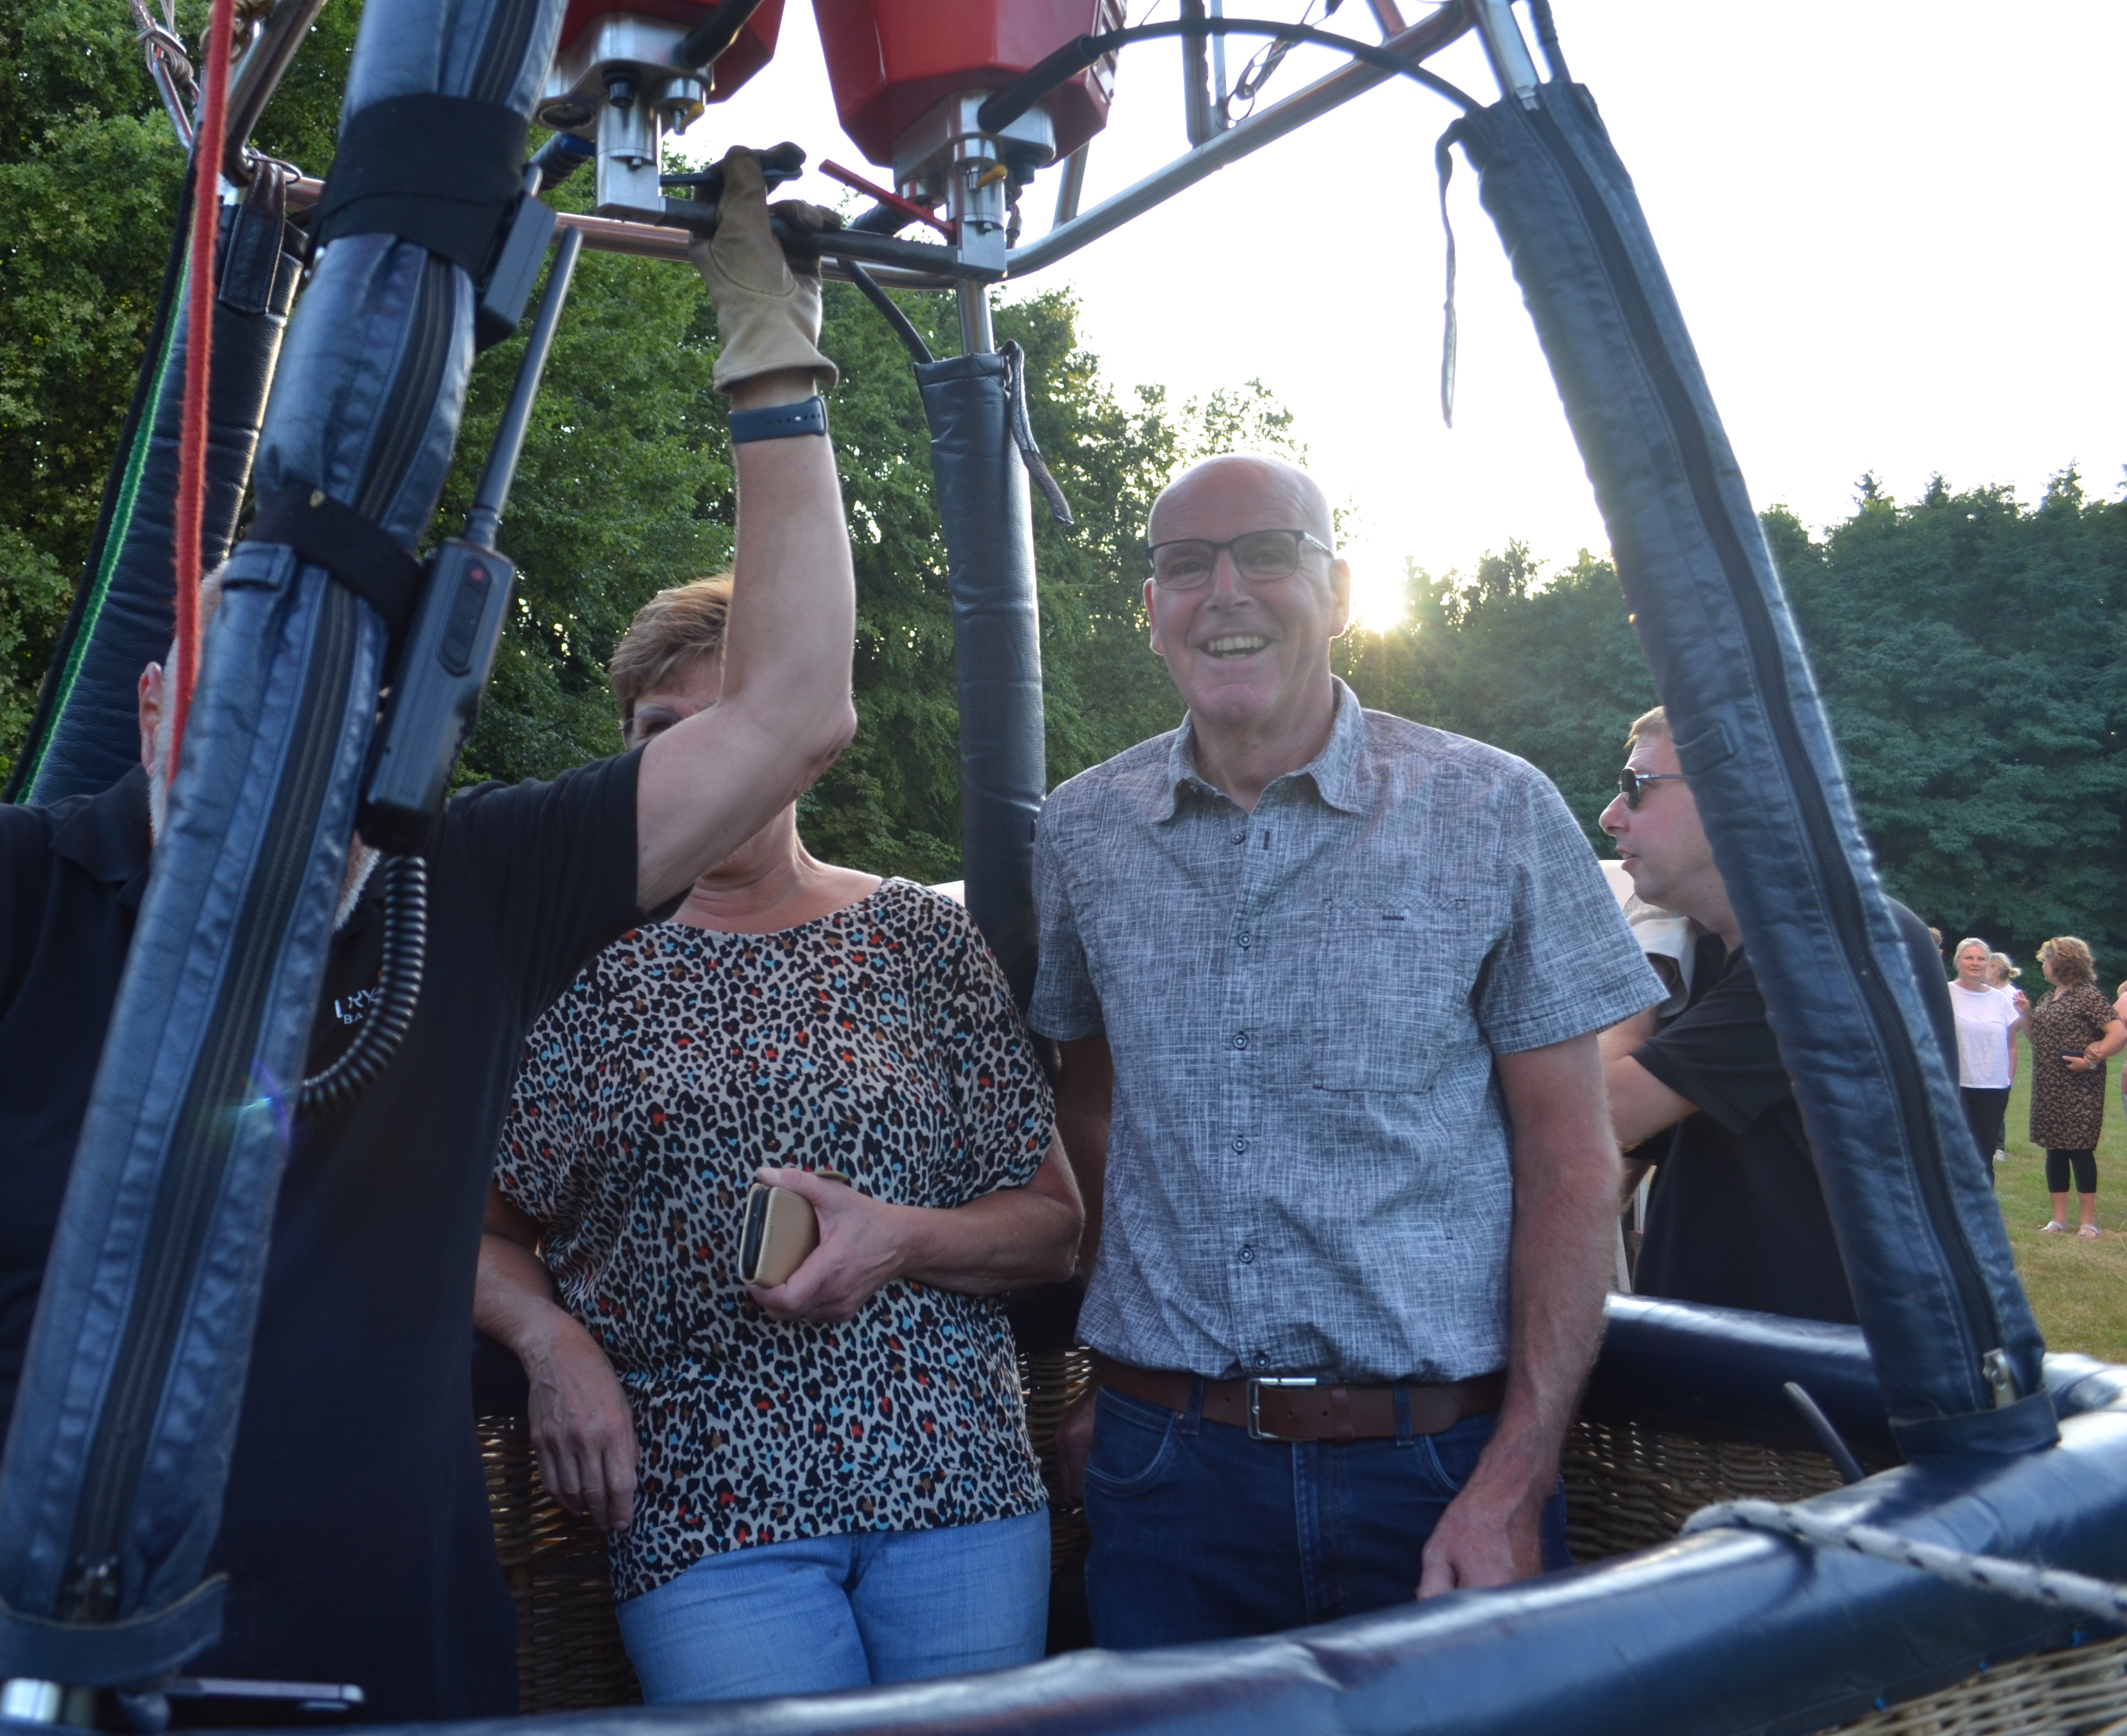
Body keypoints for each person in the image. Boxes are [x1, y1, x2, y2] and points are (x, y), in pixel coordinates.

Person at [0, 150, 858, 1718]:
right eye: (234, 691)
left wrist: (770, 351)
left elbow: (790, 711)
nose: (272, 750)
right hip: (1, 1666)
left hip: (382, 1670)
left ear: (399, 732)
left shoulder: (477, 881)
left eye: (328, 707)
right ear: (153, 705)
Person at [1036, 453, 1661, 1647]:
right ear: (1153, 609)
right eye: (1185, 565)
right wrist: (1119, 1381)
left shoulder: (1492, 811)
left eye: (1267, 553)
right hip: (1169, 1475)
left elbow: (1573, 1162)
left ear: (1339, 590)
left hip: (1434, 1471)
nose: (1224, 590)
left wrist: (1515, 1475)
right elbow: (1096, 1113)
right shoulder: (1084, 833)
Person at [477, 577, 1080, 1704]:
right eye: (661, 728)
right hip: (699, 1499)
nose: (697, 759)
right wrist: (548, 1342)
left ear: (799, 746)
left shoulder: (919, 941)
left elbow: (1052, 1226)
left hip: (955, 1475)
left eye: (733, 721)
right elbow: (470, 1224)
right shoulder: (566, 964)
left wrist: (896, 1239)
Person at [1596, 707, 1956, 1325]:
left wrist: (1638, 962)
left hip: (1815, 1365)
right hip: (1740, 1350)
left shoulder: (1828, 946)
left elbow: (1603, 1109)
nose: (1610, 816)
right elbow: (1633, 1150)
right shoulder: (1715, 953)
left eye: (1635, 786)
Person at [2027, 936, 2121, 1238]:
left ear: (2061, 963)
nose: (2043, 965)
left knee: (2080, 1151)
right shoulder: (2049, 997)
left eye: (2046, 960)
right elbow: (2037, 1039)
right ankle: (2059, 1219)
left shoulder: (2088, 996)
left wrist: (2093, 1060)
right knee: (2054, 1150)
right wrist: (2025, 1013)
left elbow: (2118, 1033)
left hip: (2080, 1088)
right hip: (2049, 1086)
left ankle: (2088, 1222)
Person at [1946, 938, 2024, 1176]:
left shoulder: (2000, 999)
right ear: (1958, 962)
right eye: (1969, 958)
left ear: (1989, 965)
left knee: (1984, 1156)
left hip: (1993, 1087)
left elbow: (2011, 1044)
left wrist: (2008, 1081)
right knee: (1954, 1154)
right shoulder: (1946, 993)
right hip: (1957, 1085)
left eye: (1981, 959)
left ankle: (1983, 1199)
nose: (1975, 963)